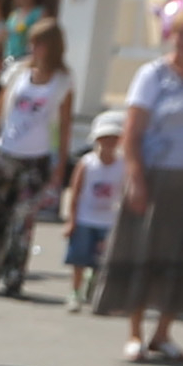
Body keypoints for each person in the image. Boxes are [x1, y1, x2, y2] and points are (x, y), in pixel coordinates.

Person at [104, 0, 183, 364]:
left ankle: (163, 333)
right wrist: (136, 179)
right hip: (157, 175)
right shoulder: (153, 75)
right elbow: (132, 132)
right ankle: (134, 333)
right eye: (179, 33)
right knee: (145, 253)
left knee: (182, 256)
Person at [0, 19, 76, 301]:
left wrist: (60, 165)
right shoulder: (18, 72)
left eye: (39, 43)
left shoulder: (63, 80)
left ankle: (14, 277)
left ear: (52, 46)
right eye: (32, 42)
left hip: (36, 158)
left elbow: (65, 126)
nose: (33, 48)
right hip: (7, 153)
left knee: (23, 220)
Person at [61, 108, 128, 313]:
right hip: (85, 218)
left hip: (108, 220)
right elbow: (76, 191)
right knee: (79, 258)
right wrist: (71, 220)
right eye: (104, 139)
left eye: (113, 139)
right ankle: (75, 292)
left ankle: (95, 287)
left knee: (101, 260)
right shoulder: (87, 163)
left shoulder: (123, 165)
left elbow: (125, 193)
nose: (108, 144)